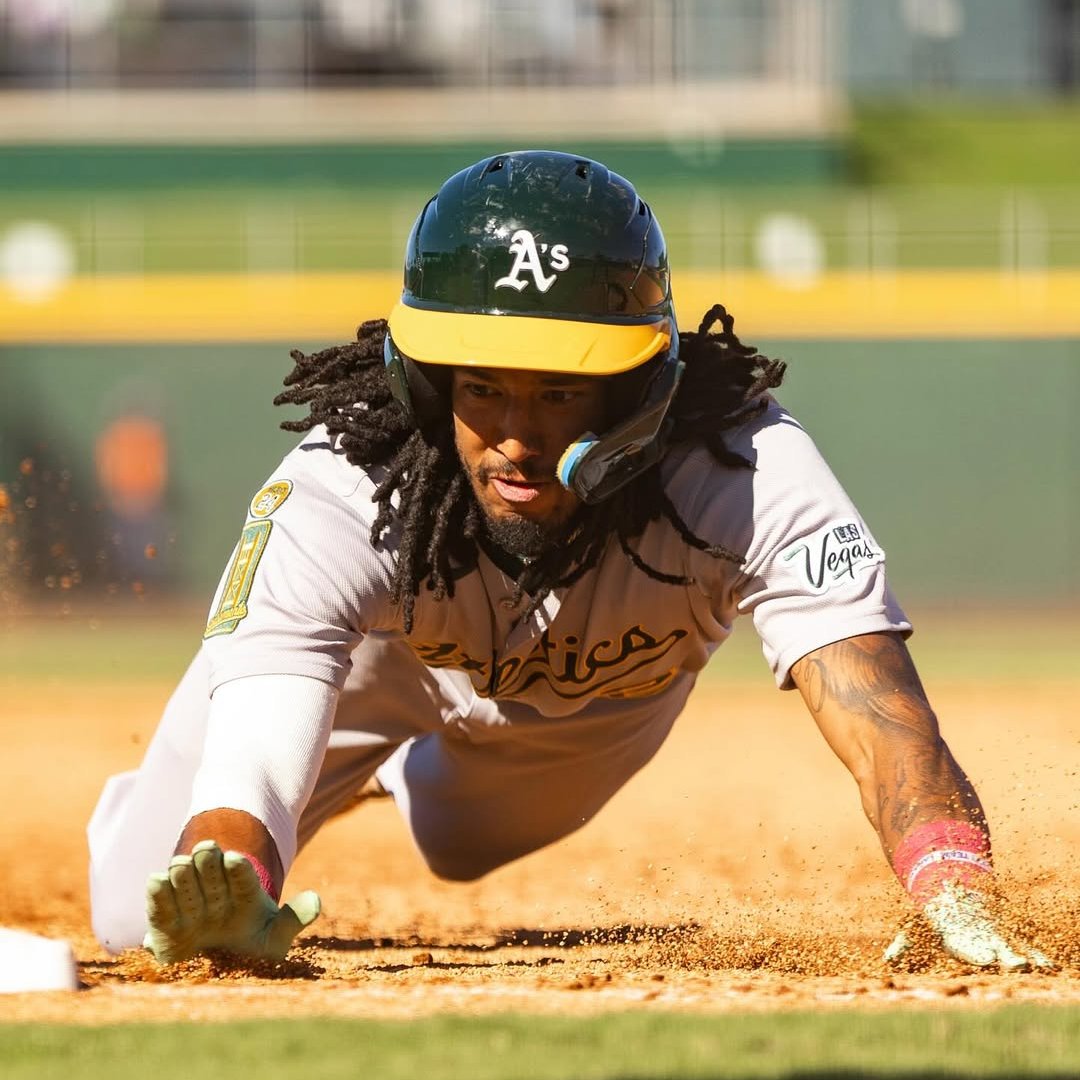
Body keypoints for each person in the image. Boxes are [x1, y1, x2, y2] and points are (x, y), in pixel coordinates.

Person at [88, 150, 1049, 971]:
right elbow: (249, 762)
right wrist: (239, 875)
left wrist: (950, 879)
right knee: (140, 913)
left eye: (560, 391)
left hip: (588, 711)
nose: (515, 436)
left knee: (462, 844)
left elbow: (881, 708)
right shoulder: (343, 494)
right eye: (484, 388)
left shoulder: (741, 469)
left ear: (639, 389)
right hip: (385, 661)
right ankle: (332, 768)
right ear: (428, 383)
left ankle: (400, 780)